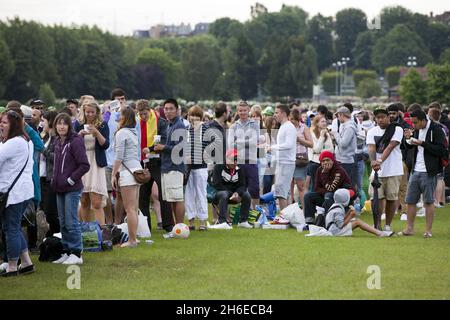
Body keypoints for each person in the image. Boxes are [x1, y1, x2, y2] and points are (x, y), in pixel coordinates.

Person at [400, 109, 449, 238]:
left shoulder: (436, 129)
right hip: (415, 170)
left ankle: (428, 230)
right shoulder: (416, 129)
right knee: (410, 201)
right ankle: (409, 229)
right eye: (412, 123)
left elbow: (442, 150)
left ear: (423, 120)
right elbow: (409, 147)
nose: (413, 125)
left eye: (415, 123)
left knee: (428, 201)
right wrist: (408, 139)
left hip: (429, 171)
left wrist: (423, 144)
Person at [0, 111, 35, 277]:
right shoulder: (26, 140)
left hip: (14, 192)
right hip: (23, 190)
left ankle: (12, 266)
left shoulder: (14, 143)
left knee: (11, 228)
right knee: (14, 227)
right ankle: (26, 262)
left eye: (5, 123)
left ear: (13, 125)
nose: (1, 125)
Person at [52, 113, 90, 265]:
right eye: (59, 124)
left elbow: (84, 165)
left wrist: (70, 179)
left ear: (69, 126)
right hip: (58, 188)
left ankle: (76, 253)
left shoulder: (75, 141)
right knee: (62, 222)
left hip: (72, 188)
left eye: (64, 124)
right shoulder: (57, 141)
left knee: (71, 221)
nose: (61, 126)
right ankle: (67, 251)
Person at [136, 99, 172, 232]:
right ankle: (146, 227)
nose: (143, 117)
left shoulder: (160, 121)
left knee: (163, 192)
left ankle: (168, 225)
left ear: (149, 110)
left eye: (145, 114)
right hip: (142, 161)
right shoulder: (135, 121)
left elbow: (163, 139)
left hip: (157, 161)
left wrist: (150, 148)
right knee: (143, 195)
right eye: (141, 114)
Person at [367, 108, 404, 231]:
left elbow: (391, 146)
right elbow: (371, 148)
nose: (380, 119)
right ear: (375, 119)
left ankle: (388, 225)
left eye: (383, 117)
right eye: (378, 117)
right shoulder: (372, 131)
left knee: (391, 198)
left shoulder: (397, 129)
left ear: (388, 117)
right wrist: (373, 161)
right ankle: (377, 224)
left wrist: (380, 161)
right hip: (377, 170)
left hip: (393, 169)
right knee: (375, 198)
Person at [154, 99, 186, 238]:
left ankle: (180, 229)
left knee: (177, 198)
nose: (167, 111)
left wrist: (163, 148)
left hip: (175, 166)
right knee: (171, 199)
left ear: (177, 110)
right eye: (166, 109)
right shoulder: (169, 124)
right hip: (167, 166)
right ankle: (176, 230)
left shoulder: (179, 125)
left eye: (171, 108)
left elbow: (180, 149)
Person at [111, 107, 142, 248]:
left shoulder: (121, 133)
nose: (117, 117)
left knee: (129, 209)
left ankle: (132, 240)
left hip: (127, 172)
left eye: (120, 115)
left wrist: (113, 174)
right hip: (136, 171)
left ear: (124, 117)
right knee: (133, 208)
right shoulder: (133, 132)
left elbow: (119, 156)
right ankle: (133, 237)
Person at [75, 101, 110, 225]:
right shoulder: (78, 125)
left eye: (92, 112)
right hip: (82, 164)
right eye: (87, 112)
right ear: (83, 112)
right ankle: (87, 234)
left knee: (96, 202)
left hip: (96, 163)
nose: (90, 114)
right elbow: (72, 146)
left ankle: (102, 233)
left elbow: (106, 145)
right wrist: (79, 136)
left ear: (97, 113)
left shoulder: (102, 125)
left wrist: (97, 133)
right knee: (84, 200)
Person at [303, 151, 354, 224]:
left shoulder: (339, 170)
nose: (325, 162)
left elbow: (331, 188)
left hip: (341, 199)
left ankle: (327, 221)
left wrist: (325, 173)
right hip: (328, 195)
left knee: (328, 196)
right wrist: (326, 191)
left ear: (332, 160)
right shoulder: (319, 170)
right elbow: (316, 188)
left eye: (328, 160)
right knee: (308, 196)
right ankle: (309, 221)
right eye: (323, 161)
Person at [227, 100, 261, 209]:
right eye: (240, 111)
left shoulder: (254, 125)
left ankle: (255, 212)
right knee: (240, 189)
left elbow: (254, 142)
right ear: (237, 111)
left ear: (249, 110)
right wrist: (246, 142)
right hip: (238, 162)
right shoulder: (233, 127)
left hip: (252, 161)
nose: (242, 113)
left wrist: (239, 142)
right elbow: (231, 145)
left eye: (245, 110)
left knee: (255, 189)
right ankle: (243, 212)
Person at [210, 149, 252, 229]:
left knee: (246, 195)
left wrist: (237, 193)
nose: (235, 162)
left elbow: (243, 185)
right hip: (219, 194)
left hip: (234, 194)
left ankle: (243, 221)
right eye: (233, 159)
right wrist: (231, 193)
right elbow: (217, 184)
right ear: (227, 159)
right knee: (224, 194)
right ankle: (222, 221)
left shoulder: (240, 168)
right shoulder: (218, 167)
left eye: (236, 159)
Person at [325, 189, 395, 237]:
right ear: (345, 199)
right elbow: (340, 225)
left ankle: (378, 232)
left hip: (333, 229)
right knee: (357, 222)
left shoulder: (336, 206)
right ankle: (380, 233)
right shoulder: (338, 210)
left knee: (355, 220)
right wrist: (350, 216)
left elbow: (340, 220)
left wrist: (349, 212)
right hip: (335, 232)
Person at [185, 106, 210, 231]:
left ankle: (203, 221)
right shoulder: (185, 129)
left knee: (201, 193)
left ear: (200, 117)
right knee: (189, 194)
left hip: (201, 167)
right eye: (192, 115)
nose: (194, 118)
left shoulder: (206, 129)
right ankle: (190, 221)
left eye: (196, 116)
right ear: (188, 116)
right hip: (188, 167)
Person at [40, 110, 60, 236]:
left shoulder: (56, 139)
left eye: (44, 121)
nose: (42, 124)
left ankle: (57, 236)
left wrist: (43, 150)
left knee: (51, 213)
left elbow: (56, 157)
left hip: (51, 178)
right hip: (43, 178)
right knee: (47, 212)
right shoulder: (46, 137)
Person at [289, 109, 313, 207]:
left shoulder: (304, 128)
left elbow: (311, 144)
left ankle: (304, 210)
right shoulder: (287, 127)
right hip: (288, 159)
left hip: (300, 160)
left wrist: (299, 140)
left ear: (297, 119)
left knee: (301, 186)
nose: (291, 121)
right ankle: (289, 209)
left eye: (292, 119)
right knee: (288, 187)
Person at [331, 106, 358, 190]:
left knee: (347, 186)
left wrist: (335, 134)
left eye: (338, 116)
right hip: (342, 160)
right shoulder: (345, 125)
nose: (338, 118)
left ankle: (352, 202)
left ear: (342, 115)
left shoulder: (349, 127)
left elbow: (343, 143)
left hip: (346, 161)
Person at [306, 115, 334, 192]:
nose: (325, 123)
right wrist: (321, 137)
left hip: (326, 163)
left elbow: (331, 149)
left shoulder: (327, 134)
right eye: (322, 121)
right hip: (315, 163)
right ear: (317, 123)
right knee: (315, 186)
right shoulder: (312, 134)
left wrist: (322, 153)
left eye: (325, 121)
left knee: (325, 185)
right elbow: (316, 149)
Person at [428, 107, 449, 208]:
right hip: (444, 154)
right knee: (441, 178)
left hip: (437, 155)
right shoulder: (443, 127)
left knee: (438, 178)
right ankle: (441, 201)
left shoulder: (435, 127)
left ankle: (436, 201)